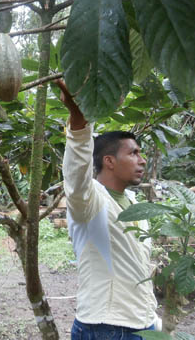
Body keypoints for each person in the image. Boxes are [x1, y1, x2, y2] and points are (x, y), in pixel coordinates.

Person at [56, 79, 161, 340]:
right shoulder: (91, 201)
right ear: (109, 161)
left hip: (142, 322)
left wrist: (153, 320)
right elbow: (75, 178)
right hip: (106, 327)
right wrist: (79, 122)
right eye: (134, 153)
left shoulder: (136, 205)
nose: (142, 159)